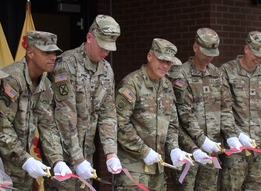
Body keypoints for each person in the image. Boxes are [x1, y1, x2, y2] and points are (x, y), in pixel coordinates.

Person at [48, 15, 123, 190]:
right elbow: (64, 115)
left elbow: (107, 113)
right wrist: (77, 159)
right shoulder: (67, 64)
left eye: (109, 48)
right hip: (63, 157)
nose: (106, 52)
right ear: (89, 38)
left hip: (86, 156)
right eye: (102, 46)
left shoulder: (106, 70)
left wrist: (111, 152)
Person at [0, 30, 72, 191]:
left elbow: (48, 126)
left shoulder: (45, 85)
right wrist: (26, 160)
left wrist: (57, 160)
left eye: (54, 53)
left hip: (22, 169)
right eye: (46, 52)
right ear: (30, 53)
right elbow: (2, 128)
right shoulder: (12, 79)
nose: (53, 57)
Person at [168, 28, 242, 191]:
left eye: (212, 52)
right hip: (188, 149)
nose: (209, 56)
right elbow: (183, 114)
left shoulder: (217, 74)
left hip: (213, 149)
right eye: (206, 52)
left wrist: (231, 136)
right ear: (195, 47)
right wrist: (202, 141)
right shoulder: (181, 74)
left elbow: (225, 109)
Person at [115, 38, 191, 191]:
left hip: (158, 169)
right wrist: (144, 151)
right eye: (161, 60)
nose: (165, 66)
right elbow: (119, 122)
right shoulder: (132, 83)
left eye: (168, 63)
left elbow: (172, 124)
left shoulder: (167, 86)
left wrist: (174, 149)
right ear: (150, 56)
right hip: (134, 168)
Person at [220, 31, 261, 191]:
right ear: (246, 49)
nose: (258, 59)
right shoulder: (226, 71)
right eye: (256, 54)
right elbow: (223, 109)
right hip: (236, 147)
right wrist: (235, 135)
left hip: (259, 148)